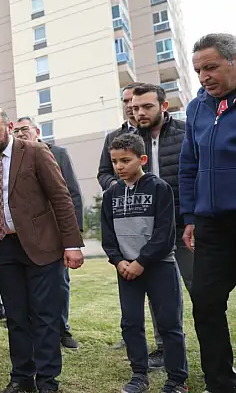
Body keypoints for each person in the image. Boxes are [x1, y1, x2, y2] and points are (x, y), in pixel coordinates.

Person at [0, 107, 84, 393]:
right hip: (5, 250)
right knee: (16, 317)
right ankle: (22, 377)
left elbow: (61, 197)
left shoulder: (36, 152)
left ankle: (47, 380)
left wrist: (72, 243)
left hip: (42, 247)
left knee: (45, 317)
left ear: (9, 126)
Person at [101, 133, 188, 393]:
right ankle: (139, 375)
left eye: (125, 160)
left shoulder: (159, 188)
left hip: (159, 266)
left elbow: (165, 234)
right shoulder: (111, 194)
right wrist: (119, 262)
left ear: (142, 159)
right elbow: (108, 237)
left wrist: (141, 261)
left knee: (169, 324)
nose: (119, 167)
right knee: (131, 323)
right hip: (127, 271)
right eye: (115, 161)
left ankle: (177, 380)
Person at [179, 32, 236, 393]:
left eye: (211, 67)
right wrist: (190, 216)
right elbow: (188, 166)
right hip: (211, 225)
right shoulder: (197, 107)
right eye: (199, 70)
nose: (204, 77)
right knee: (206, 302)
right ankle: (221, 382)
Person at [98, 83, 166, 363]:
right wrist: (121, 187)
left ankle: (169, 343)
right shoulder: (117, 138)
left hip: (170, 219)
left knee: (171, 290)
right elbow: (103, 173)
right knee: (135, 288)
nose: (132, 108)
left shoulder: (176, 131)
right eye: (128, 103)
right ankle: (139, 343)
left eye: (138, 103)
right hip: (133, 223)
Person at [13, 116, 83, 349]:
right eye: (17, 130)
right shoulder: (14, 158)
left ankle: (62, 328)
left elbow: (71, 193)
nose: (20, 133)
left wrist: (73, 236)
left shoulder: (57, 153)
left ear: (37, 130)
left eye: (25, 129)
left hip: (56, 232)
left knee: (59, 284)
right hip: (28, 235)